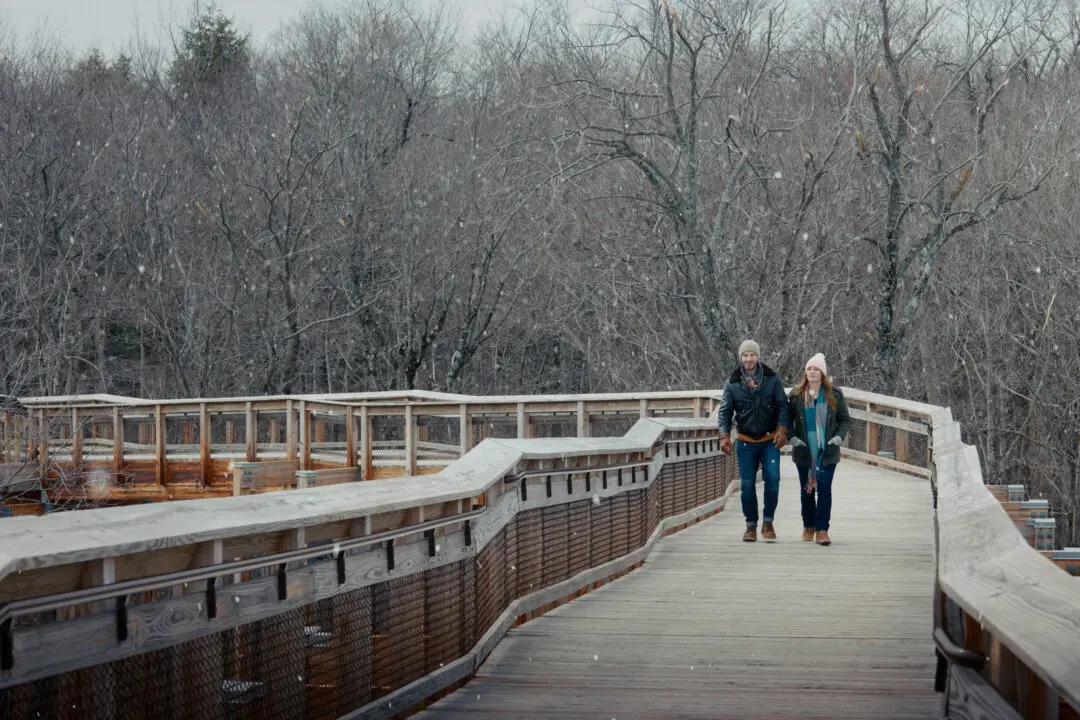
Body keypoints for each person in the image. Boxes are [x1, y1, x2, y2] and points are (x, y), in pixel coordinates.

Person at [718, 340, 789, 542]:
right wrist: (724, 435)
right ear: (740, 358)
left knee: (773, 481)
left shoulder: (772, 379)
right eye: (745, 355)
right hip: (745, 440)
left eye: (752, 355)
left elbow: (783, 406)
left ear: (758, 356)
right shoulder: (732, 383)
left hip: (769, 440)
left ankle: (768, 522)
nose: (748, 359)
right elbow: (725, 411)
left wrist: (782, 429)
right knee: (747, 485)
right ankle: (750, 525)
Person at [786, 353, 851, 546]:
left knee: (824, 490)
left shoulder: (834, 395)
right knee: (806, 490)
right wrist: (793, 438)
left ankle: (822, 530)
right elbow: (786, 421)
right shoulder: (796, 395)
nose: (811, 372)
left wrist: (839, 437)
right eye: (809, 369)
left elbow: (844, 419)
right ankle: (808, 526)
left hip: (827, 452)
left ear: (822, 373)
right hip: (804, 451)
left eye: (815, 369)